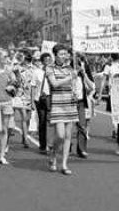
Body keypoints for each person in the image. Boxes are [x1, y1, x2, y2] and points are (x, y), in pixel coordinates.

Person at [45, 45, 79, 175]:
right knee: (60, 135)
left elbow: (73, 85)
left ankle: (64, 164)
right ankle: (53, 154)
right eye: (61, 54)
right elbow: (54, 84)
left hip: (69, 104)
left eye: (65, 54)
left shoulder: (70, 68)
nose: (64, 56)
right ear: (55, 55)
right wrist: (71, 77)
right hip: (57, 104)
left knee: (68, 136)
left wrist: (75, 91)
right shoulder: (49, 68)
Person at [11, 53, 33, 148]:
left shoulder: (33, 69)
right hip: (20, 94)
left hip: (30, 94)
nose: (26, 61)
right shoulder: (17, 68)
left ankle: (24, 136)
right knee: (24, 117)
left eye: (28, 59)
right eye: (25, 58)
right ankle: (26, 139)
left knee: (28, 118)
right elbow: (13, 78)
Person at [32, 52, 50, 154]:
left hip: (51, 99)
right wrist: (31, 101)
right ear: (42, 61)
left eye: (49, 60)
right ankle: (43, 145)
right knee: (42, 122)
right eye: (46, 60)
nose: (48, 61)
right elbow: (33, 86)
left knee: (52, 122)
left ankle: (51, 144)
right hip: (39, 99)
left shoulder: (54, 71)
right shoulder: (37, 72)